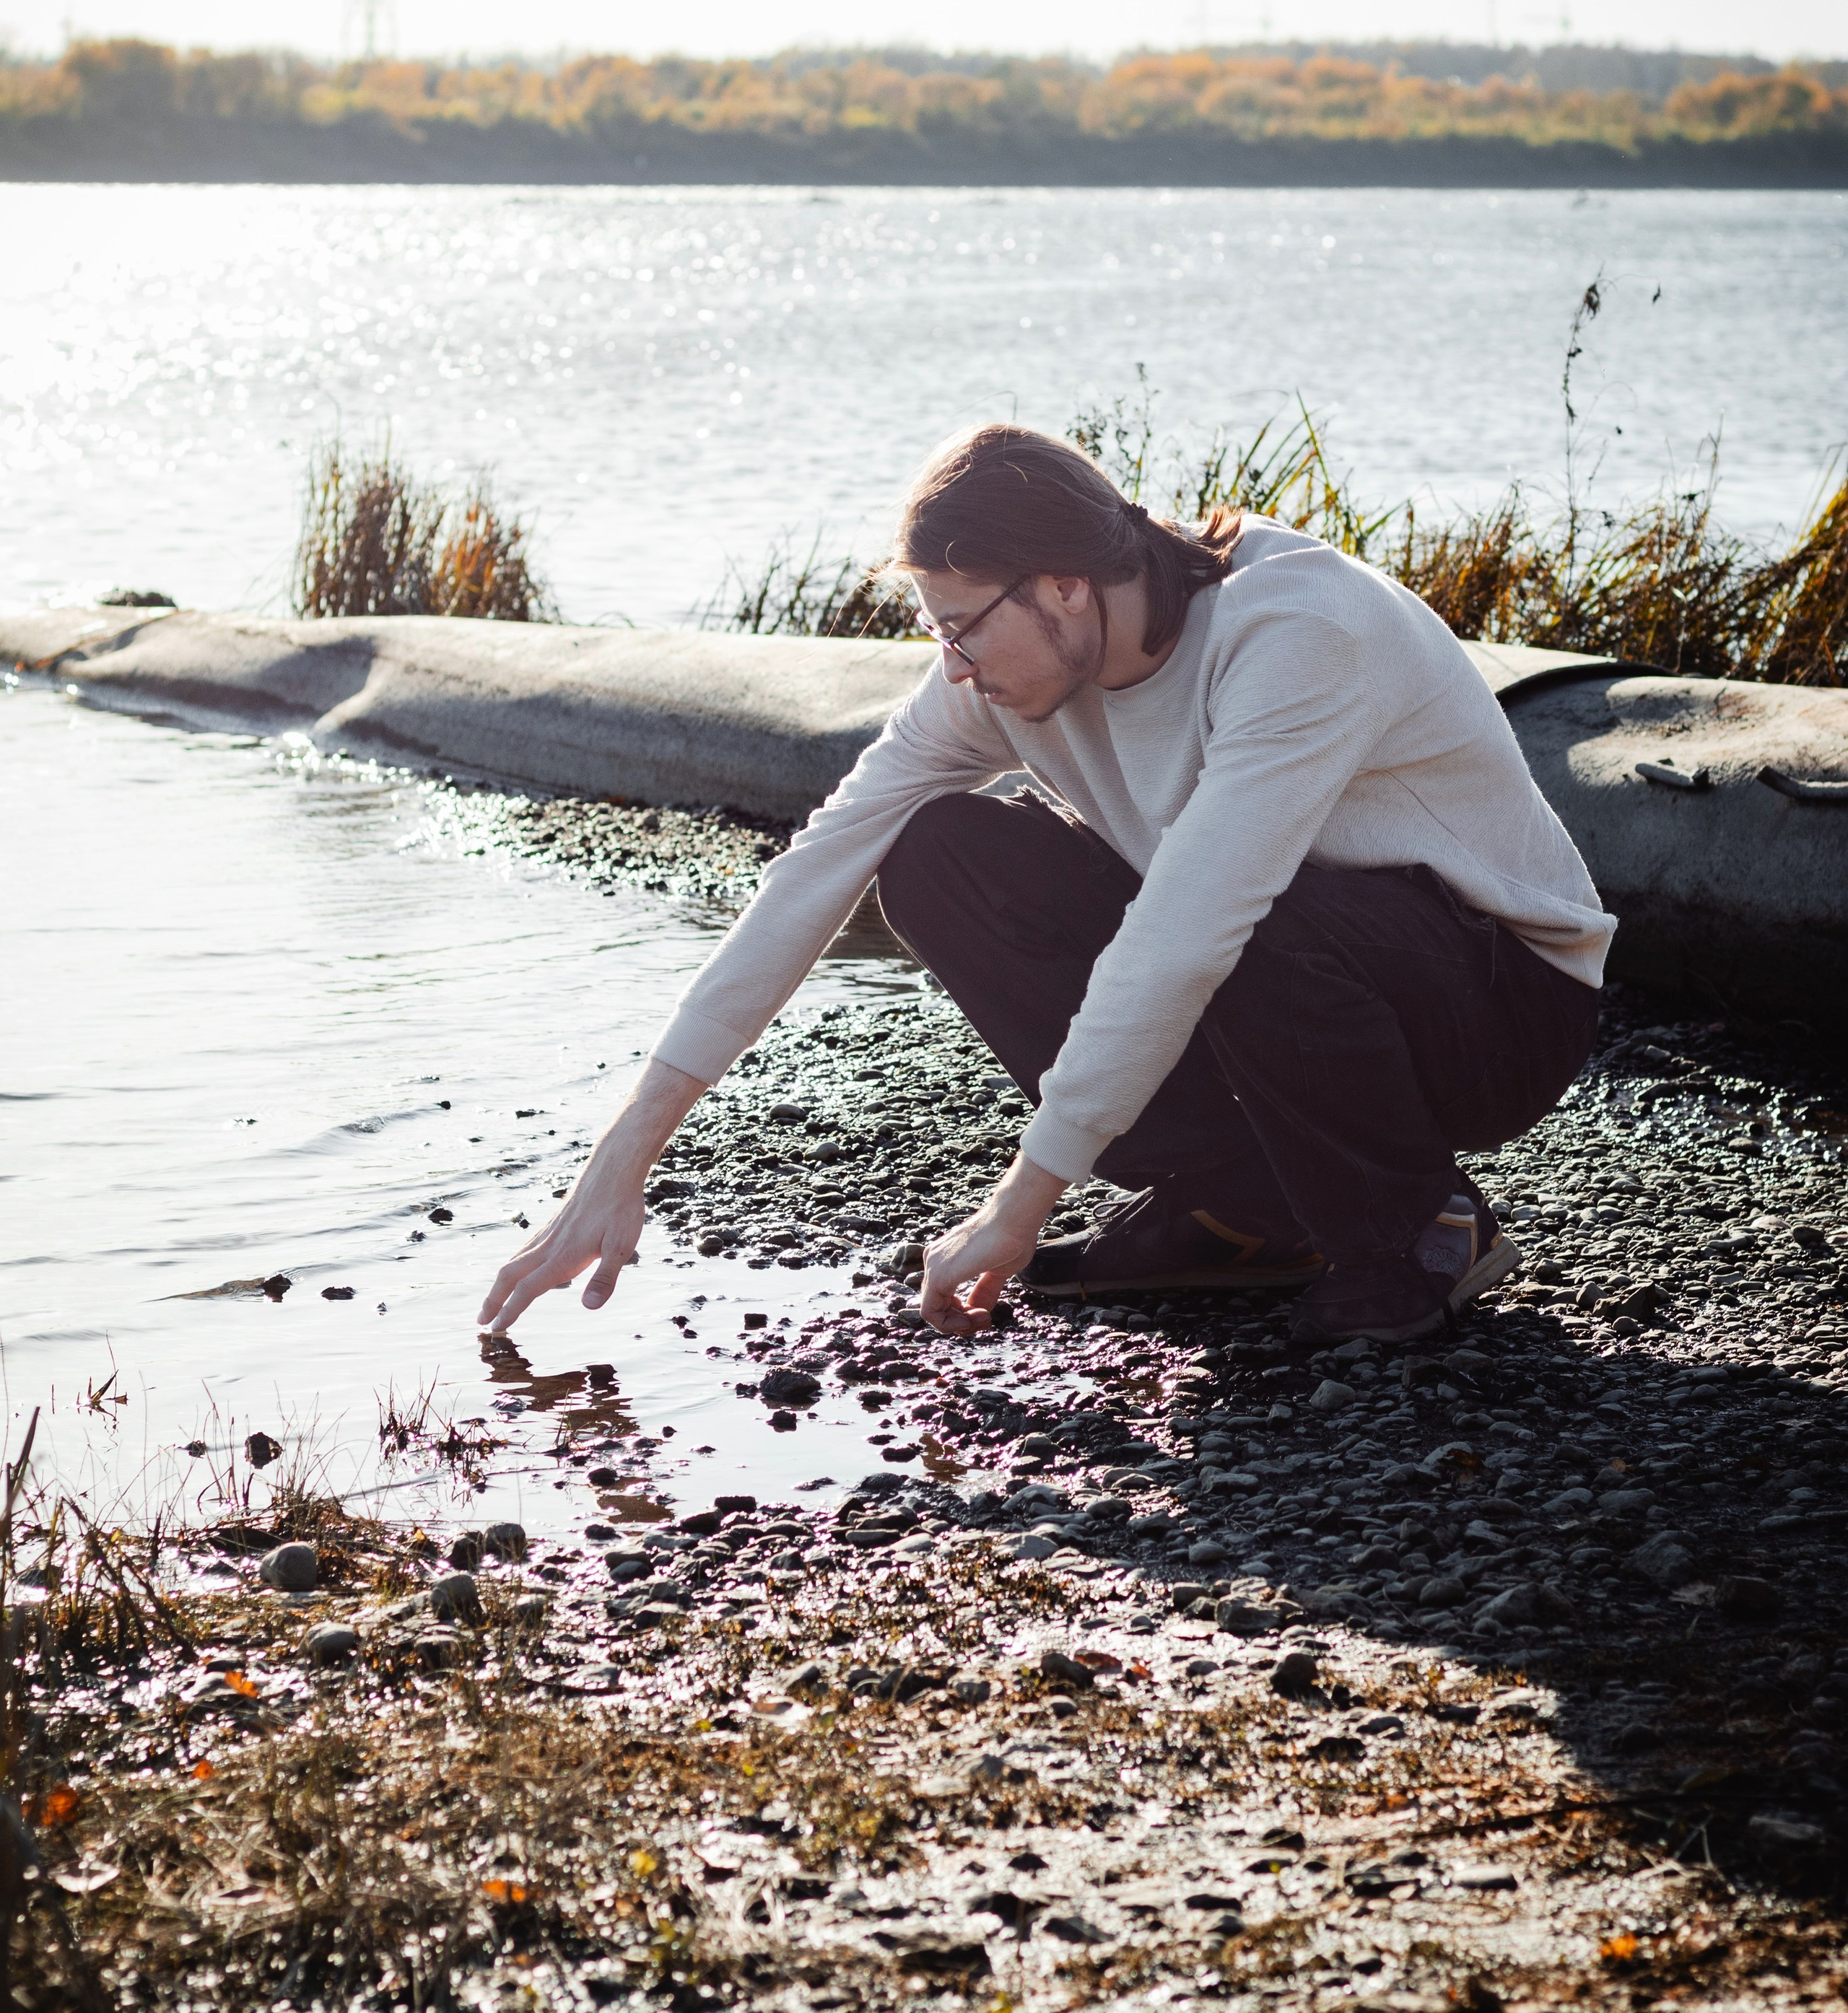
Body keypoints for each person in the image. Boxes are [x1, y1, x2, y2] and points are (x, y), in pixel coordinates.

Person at [480, 423, 1611, 1350]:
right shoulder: (1000, 669)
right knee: (933, 850)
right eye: (938, 634)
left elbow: (1186, 933)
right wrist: (620, 1162)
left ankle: (1412, 1220)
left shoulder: (1296, 632)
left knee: (1225, 912)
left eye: (961, 628)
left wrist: (1017, 1209)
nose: (953, 666)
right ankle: (1249, 1205)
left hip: (1498, 1000)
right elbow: (819, 867)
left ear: (1065, 586)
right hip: (1285, 962)